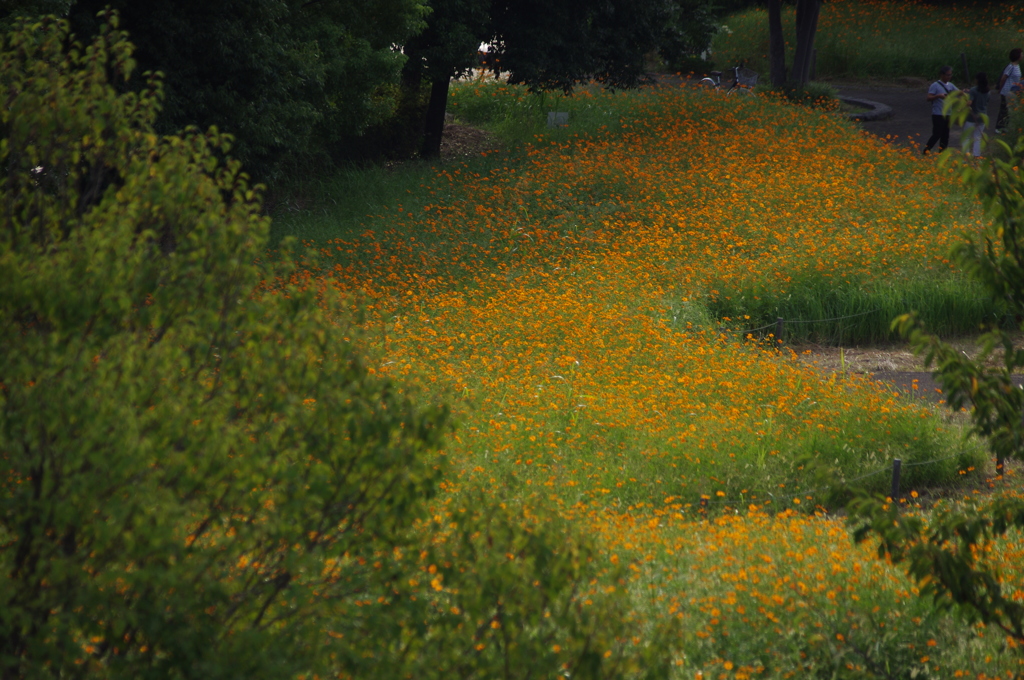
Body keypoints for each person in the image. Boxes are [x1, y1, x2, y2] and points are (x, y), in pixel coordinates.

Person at [923, 66, 958, 155]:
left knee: (945, 135)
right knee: (937, 134)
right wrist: (938, 96)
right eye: (947, 75)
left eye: (950, 75)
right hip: (938, 114)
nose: (949, 77)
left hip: (948, 113)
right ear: (942, 75)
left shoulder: (950, 85)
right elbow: (928, 97)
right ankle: (926, 150)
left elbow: (958, 92)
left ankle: (942, 153)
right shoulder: (935, 85)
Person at [996, 48, 1022, 134]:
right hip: (1007, 91)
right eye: (1021, 54)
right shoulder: (1011, 66)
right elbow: (1004, 78)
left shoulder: (1017, 66)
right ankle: (998, 127)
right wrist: (1000, 88)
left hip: (1014, 91)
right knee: (1004, 109)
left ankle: (1004, 126)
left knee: (1008, 110)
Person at [965, 72, 990, 157]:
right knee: (978, 137)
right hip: (983, 117)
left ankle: (966, 155)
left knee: (967, 137)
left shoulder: (973, 90)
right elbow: (987, 102)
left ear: (977, 80)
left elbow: (969, 103)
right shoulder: (988, 91)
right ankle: (977, 155)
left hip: (972, 117)